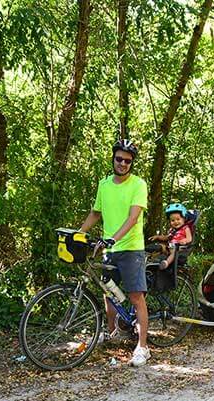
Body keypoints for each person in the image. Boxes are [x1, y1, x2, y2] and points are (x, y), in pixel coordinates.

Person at [79, 139, 151, 367]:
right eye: (119, 159)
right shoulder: (104, 185)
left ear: (132, 164)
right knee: (108, 292)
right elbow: (95, 213)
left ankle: (143, 347)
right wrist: (78, 232)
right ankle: (112, 332)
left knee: (135, 296)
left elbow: (133, 218)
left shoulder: (138, 185)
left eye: (127, 161)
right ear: (113, 158)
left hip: (130, 248)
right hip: (109, 249)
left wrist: (113, 238)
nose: (122, 163)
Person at [148, 203, 193, 270]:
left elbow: (189, 238)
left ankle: (166, 263)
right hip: (169, 247)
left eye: (178, 219)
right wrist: (157, 237)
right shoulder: (172, 230)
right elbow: (166, 237)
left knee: (174, 253)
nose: (175, 222)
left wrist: (184, 241)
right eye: (172, 220)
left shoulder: (185, 228)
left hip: (179, 248)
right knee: (157, 248)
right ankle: (150, 262)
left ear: (184, 219)